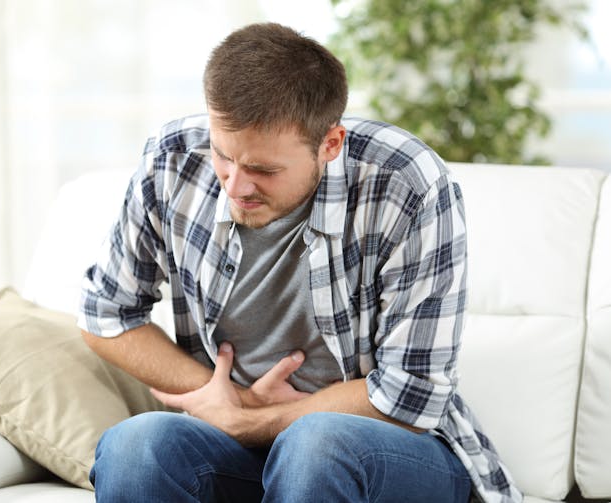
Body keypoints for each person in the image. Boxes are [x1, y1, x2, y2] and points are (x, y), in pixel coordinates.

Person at [78, 22, 521, 503]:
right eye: (224, 157)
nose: (236, 187)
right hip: (237, 447)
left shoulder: (408, 183)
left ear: (330, 144)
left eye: (264, 170)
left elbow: (409, 392)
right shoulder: (173, 160)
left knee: (315, 445)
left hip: (387, 452)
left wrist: (256, 420)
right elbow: (106, 315)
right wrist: (221, 394)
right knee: (135, 447)